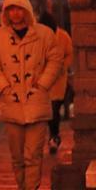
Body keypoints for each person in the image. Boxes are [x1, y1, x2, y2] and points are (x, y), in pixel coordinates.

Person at [0, 0, 63, 190]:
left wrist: (43, 84)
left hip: (37, 102)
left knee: (33, 155)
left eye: (19, 8)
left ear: (27, 10)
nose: (15, 13)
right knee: (17, 157)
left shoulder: (44, 34)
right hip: (12, 103)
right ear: (6, 12)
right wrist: (4, 87)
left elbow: (55, 60)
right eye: (11, 9)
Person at [38, 12, 74, 154]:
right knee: (46, 111)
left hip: (58, 80)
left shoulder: (63, 37)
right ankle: (52, 136)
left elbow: (70, 54)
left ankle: (54, 136)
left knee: (54, 109)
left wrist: (63, 66)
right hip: (42, 79)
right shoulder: (37, 37)